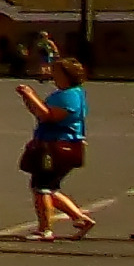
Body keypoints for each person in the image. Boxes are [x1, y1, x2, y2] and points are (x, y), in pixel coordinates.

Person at [16, 58, 94, 241]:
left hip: (57, 146)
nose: (53, 75)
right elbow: (39, 112)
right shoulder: (72, 93)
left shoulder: (68, 96)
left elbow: (48, 116)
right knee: (50, 187)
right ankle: (79, 218)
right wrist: (28, 98)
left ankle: (45, 229)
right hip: (61, 145)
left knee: (41, 187)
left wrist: (30, 95)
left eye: (57, 72)